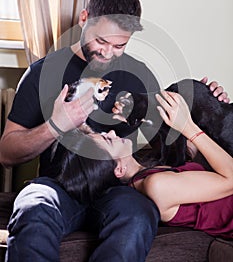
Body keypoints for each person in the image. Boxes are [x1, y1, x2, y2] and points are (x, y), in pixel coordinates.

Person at [0, 0, 229, 262]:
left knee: (137, 219)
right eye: (101, 41)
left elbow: (171, 143)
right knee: (32, 209)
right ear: (84, 19)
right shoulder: (41, 74)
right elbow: (6, 154)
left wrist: (207, 103)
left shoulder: (139, 75)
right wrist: (55, 125)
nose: (108, 53)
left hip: (120, 189)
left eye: (119, 45)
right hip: (61, 185)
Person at [57, 91, 233, 240]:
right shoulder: (157, 186)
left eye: (104, 133)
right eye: (108, 140)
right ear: (118, 169)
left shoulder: (150, 168)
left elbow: (201, 152)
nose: (112, 132)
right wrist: (188, 126)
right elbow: (230, 179)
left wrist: (210, 101)